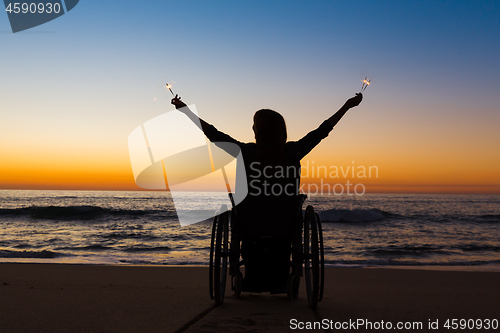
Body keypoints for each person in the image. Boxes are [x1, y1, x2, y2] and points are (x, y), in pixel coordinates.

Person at [171, 92, 363, 292]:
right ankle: (283, 278)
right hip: (285, 224)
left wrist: (185, 111)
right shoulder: (293, 152)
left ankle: (250, 277)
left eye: (255, 125)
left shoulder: (245, 152)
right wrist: (347, 106)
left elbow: (213, 133)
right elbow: (322, 131)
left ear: (260, 131)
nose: (252, 128)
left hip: (249, 223)